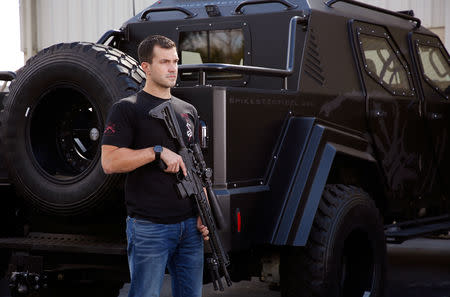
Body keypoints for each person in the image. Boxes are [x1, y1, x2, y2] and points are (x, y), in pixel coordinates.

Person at [101, 35, 209, 297]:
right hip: (150, 228)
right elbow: (110, 162)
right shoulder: (127, 109)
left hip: (190, 228)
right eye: (164, 62)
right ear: (145, 67)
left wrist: (204, 211)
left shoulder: (188, 111)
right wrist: (157, 152)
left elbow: (197, 166)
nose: (173, 68)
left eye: (175, 62)